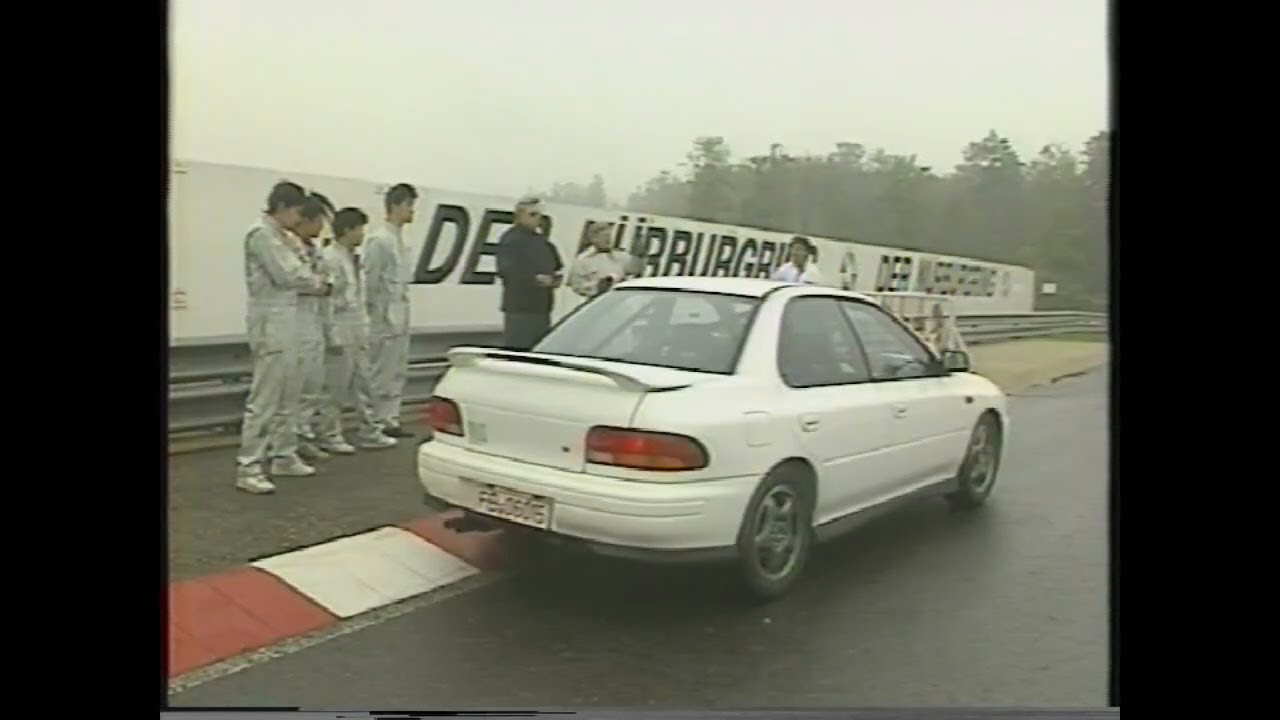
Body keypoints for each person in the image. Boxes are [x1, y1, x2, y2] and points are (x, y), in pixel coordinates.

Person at [234, 181, 329, 495]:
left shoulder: (284, 237)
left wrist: (313, 279)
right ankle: (249, 466)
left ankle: (283, 455)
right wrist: (317, 283)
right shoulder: (261, 235)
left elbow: (304, 269)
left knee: (290, 393)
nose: (299, 220)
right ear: (284, 207)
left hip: (290, 321)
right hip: (270, 322)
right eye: (297, 212)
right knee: (265, 397)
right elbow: (288, 274)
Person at [315, 207, 398, 452]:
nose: (363, 234)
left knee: (364, 383)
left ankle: (369, 431)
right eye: (359, 229)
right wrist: (331, 333)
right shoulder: (329, 257)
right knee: (336, 386)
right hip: (340, 324)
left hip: (358, 324)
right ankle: (329, 434)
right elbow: (327, 301)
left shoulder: (354, 258)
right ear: (347, 230)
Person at [269, 194, 335, 475]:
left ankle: (302, 437)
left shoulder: (314, 249)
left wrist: (321, 284)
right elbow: (298, 280)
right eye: (319, 220)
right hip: (294, 323)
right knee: (291, 391)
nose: (322, 227)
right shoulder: (285, 245)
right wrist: (319, 285)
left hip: (313, 321)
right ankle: (283, 448)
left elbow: (325, 281)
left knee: (312, 386)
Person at [363, 183, 419, 439]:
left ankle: (390, 418)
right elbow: (370, 281)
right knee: (380, 371)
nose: (412, 210)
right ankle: (375, 420)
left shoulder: (401, 240)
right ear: (395, 206)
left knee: (397, 369)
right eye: (408, 205)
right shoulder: (379, 240)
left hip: (400, 311)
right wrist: (375, 315)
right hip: (382, 315)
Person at [496, 196, 564, 349]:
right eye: (532, 214)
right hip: (520, 309)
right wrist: (535, 279)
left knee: (539, 349)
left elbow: (556, 265)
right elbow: (507, 271)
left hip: (542, 308)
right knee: (519, 351)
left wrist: (555, 279)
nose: (537, 219)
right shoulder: (510, 240)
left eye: (540, 215)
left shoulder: (542, 241)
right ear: (520, 215)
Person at [567, 222, 632, 301]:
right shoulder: (583, 260)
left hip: (620, 300)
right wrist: (598, 285)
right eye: (604, 236)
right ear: (594, 239)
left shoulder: (620, 257)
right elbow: (577, 286)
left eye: (609, 236)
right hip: (597, 301)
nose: (608, 240)